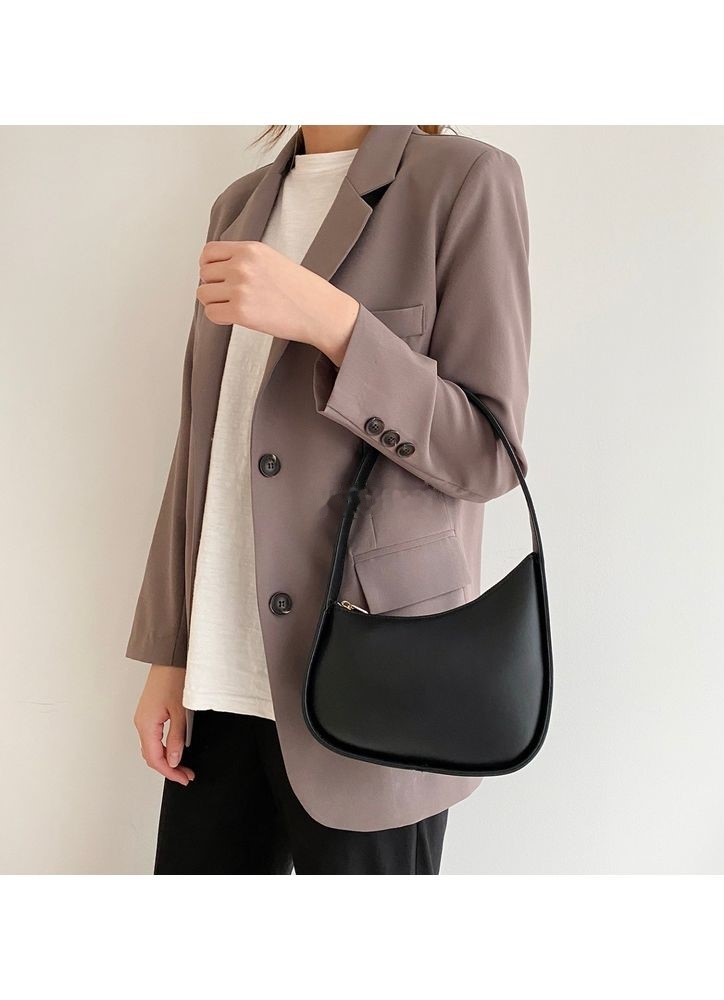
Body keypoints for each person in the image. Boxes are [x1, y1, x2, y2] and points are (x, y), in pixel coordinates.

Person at [127, 124, 532, 875]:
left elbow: (488, 452)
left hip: (373, 684)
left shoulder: (463, 180)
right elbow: (201, 447)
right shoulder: (238, 207)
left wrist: (335, 324)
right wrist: (170, 654)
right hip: (220, 681)